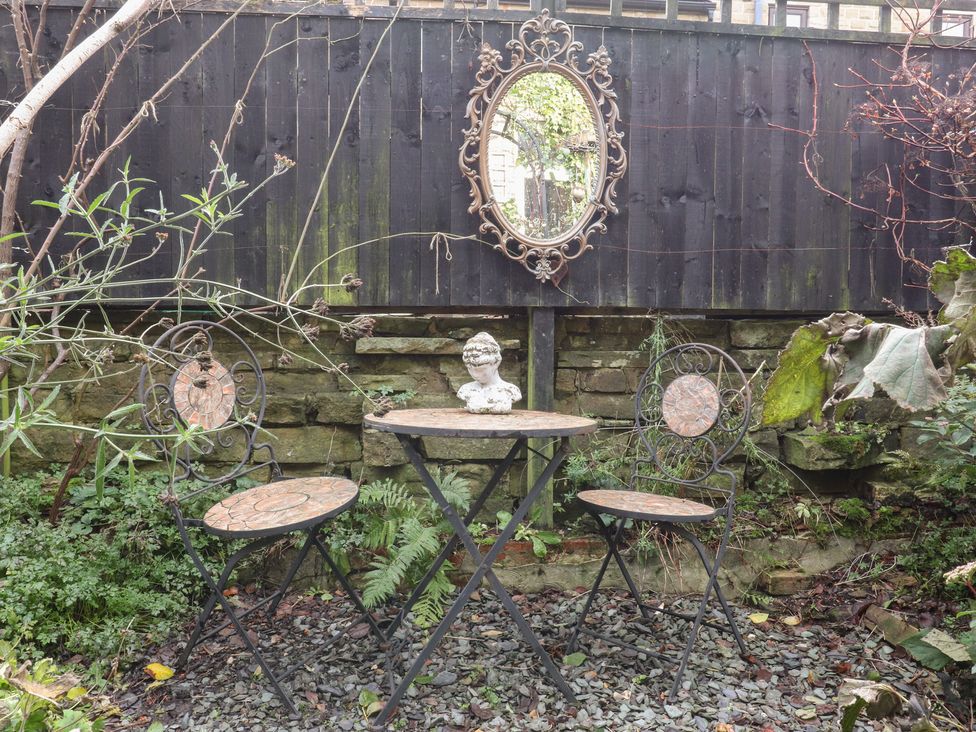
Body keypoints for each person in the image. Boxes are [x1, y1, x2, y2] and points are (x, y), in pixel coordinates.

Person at [457, 332, 522, 414]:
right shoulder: (465, 390)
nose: (475, 374)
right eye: (469, 368)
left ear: (496, 362)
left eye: (480, 369)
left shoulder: (511, 391)